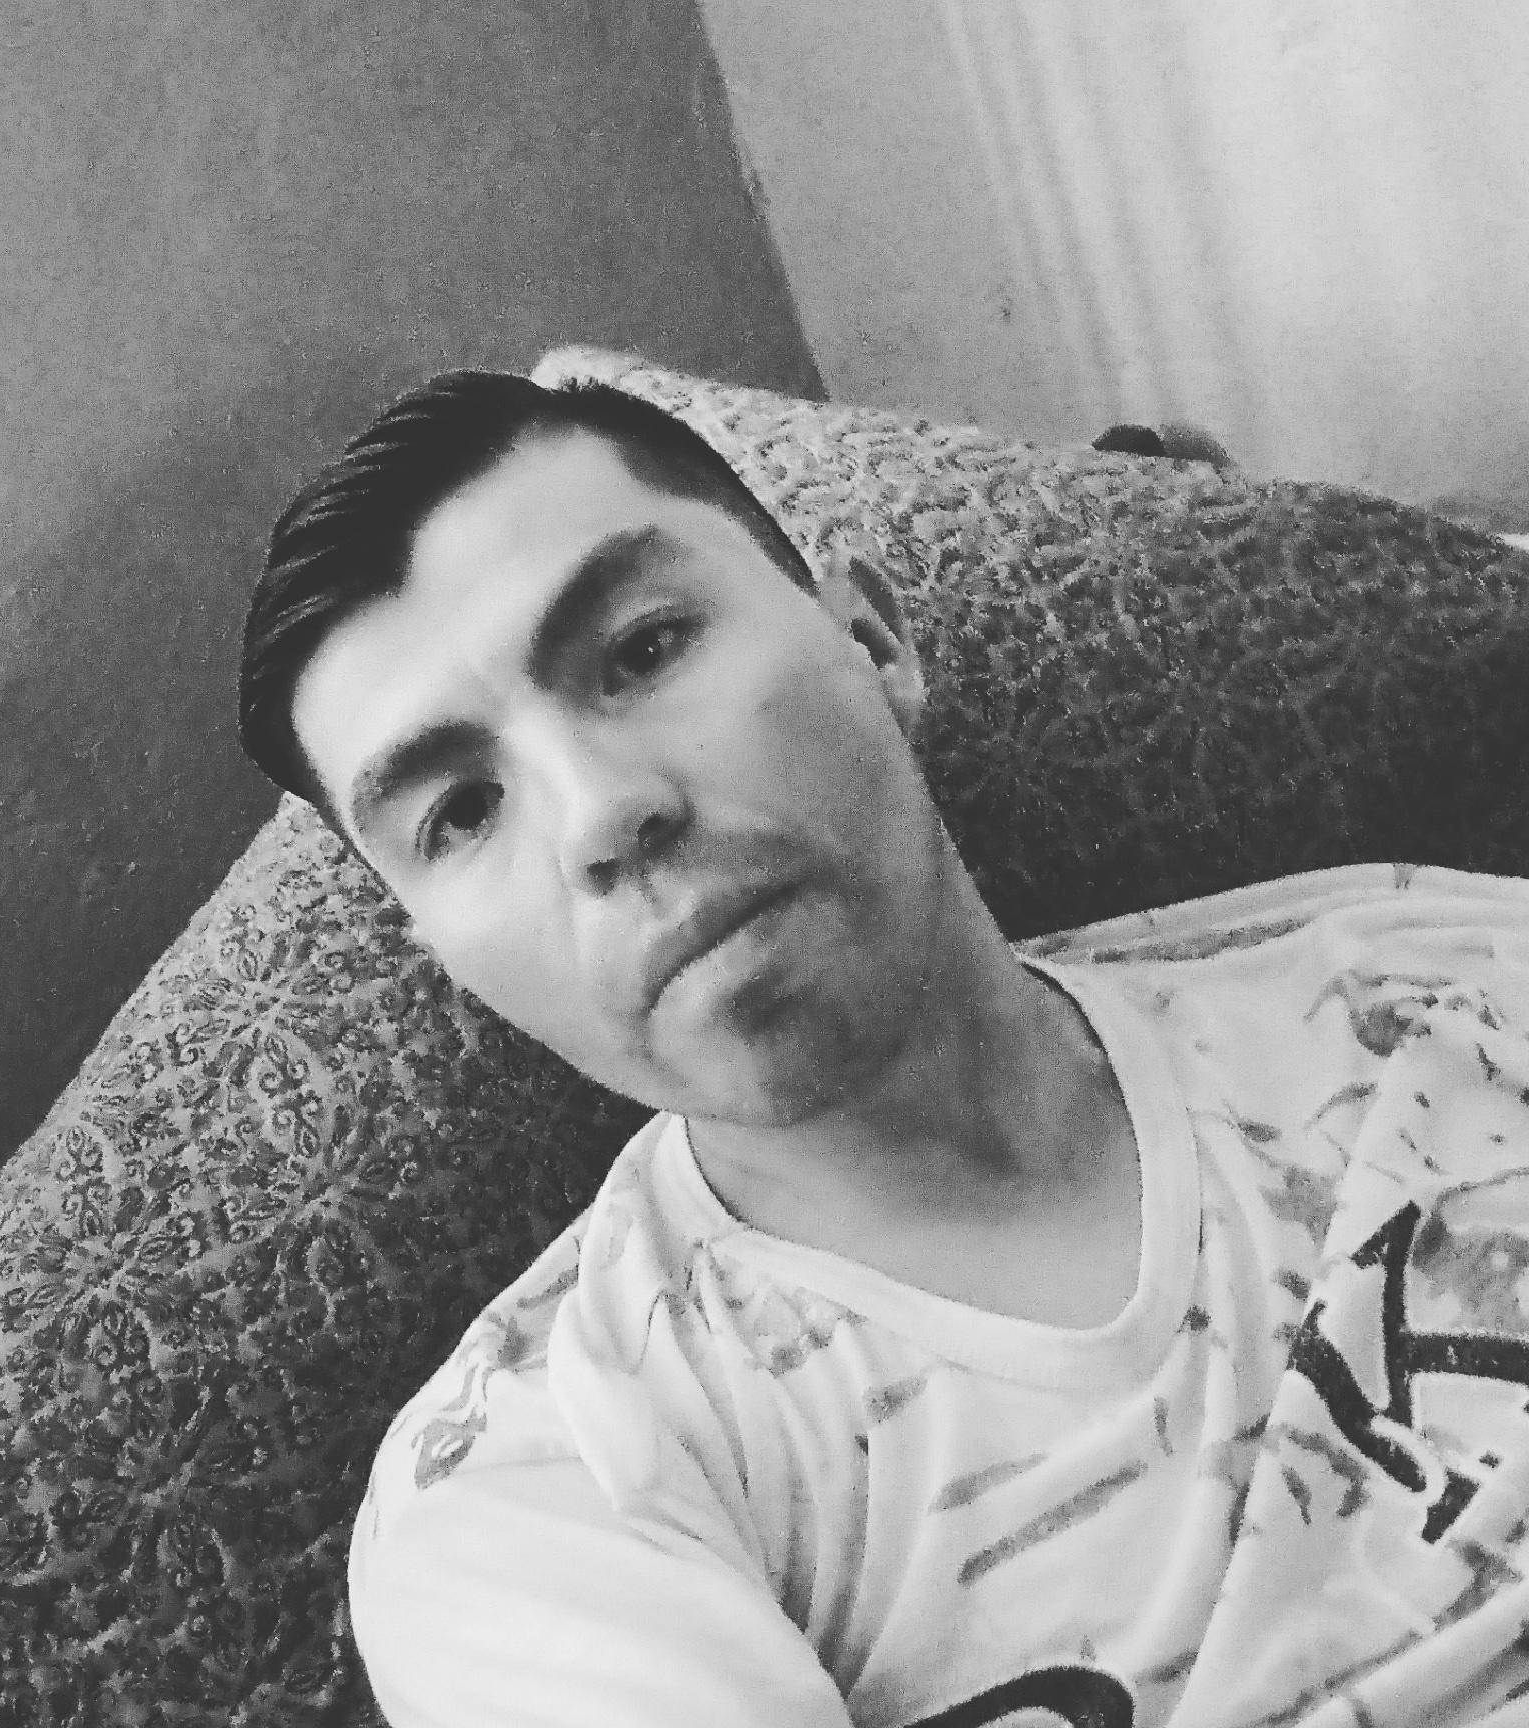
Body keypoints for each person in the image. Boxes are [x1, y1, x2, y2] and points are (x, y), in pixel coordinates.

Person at [238, 370, 1529, 1728]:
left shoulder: (1428, 981)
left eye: (645, 649)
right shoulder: (546, 1494)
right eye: (459, 813)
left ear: (872, 638)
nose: (601, 814)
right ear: (444, 955)